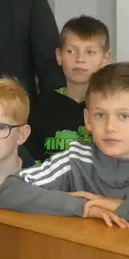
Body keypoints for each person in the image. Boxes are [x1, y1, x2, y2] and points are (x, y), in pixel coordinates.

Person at [0, 64, 129, 243]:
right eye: (100, 114)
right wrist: (84, 207)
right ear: (87, 119)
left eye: (123, 116)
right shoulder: (76, 157)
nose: (110, 127)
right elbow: (9, 191)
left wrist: (119, 207)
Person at [28, 16, 111, 162]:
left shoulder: (113, 107)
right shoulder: (38, 106)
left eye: (90, 52)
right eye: (71, 51)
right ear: (59, 56)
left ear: (105, 58)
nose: (80, 59)